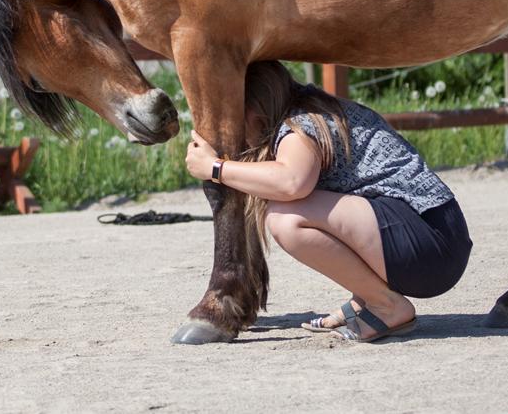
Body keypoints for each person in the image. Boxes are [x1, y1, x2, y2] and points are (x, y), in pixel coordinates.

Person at [185, 61, 472, 343]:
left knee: (286, 219)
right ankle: (367, 300)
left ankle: (386, 306)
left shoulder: (298, 126)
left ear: (253, 109)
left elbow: (291, 182)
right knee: (302, 208)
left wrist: (216, 168)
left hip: (431, 245)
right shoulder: (315, 109)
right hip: (437, 238)